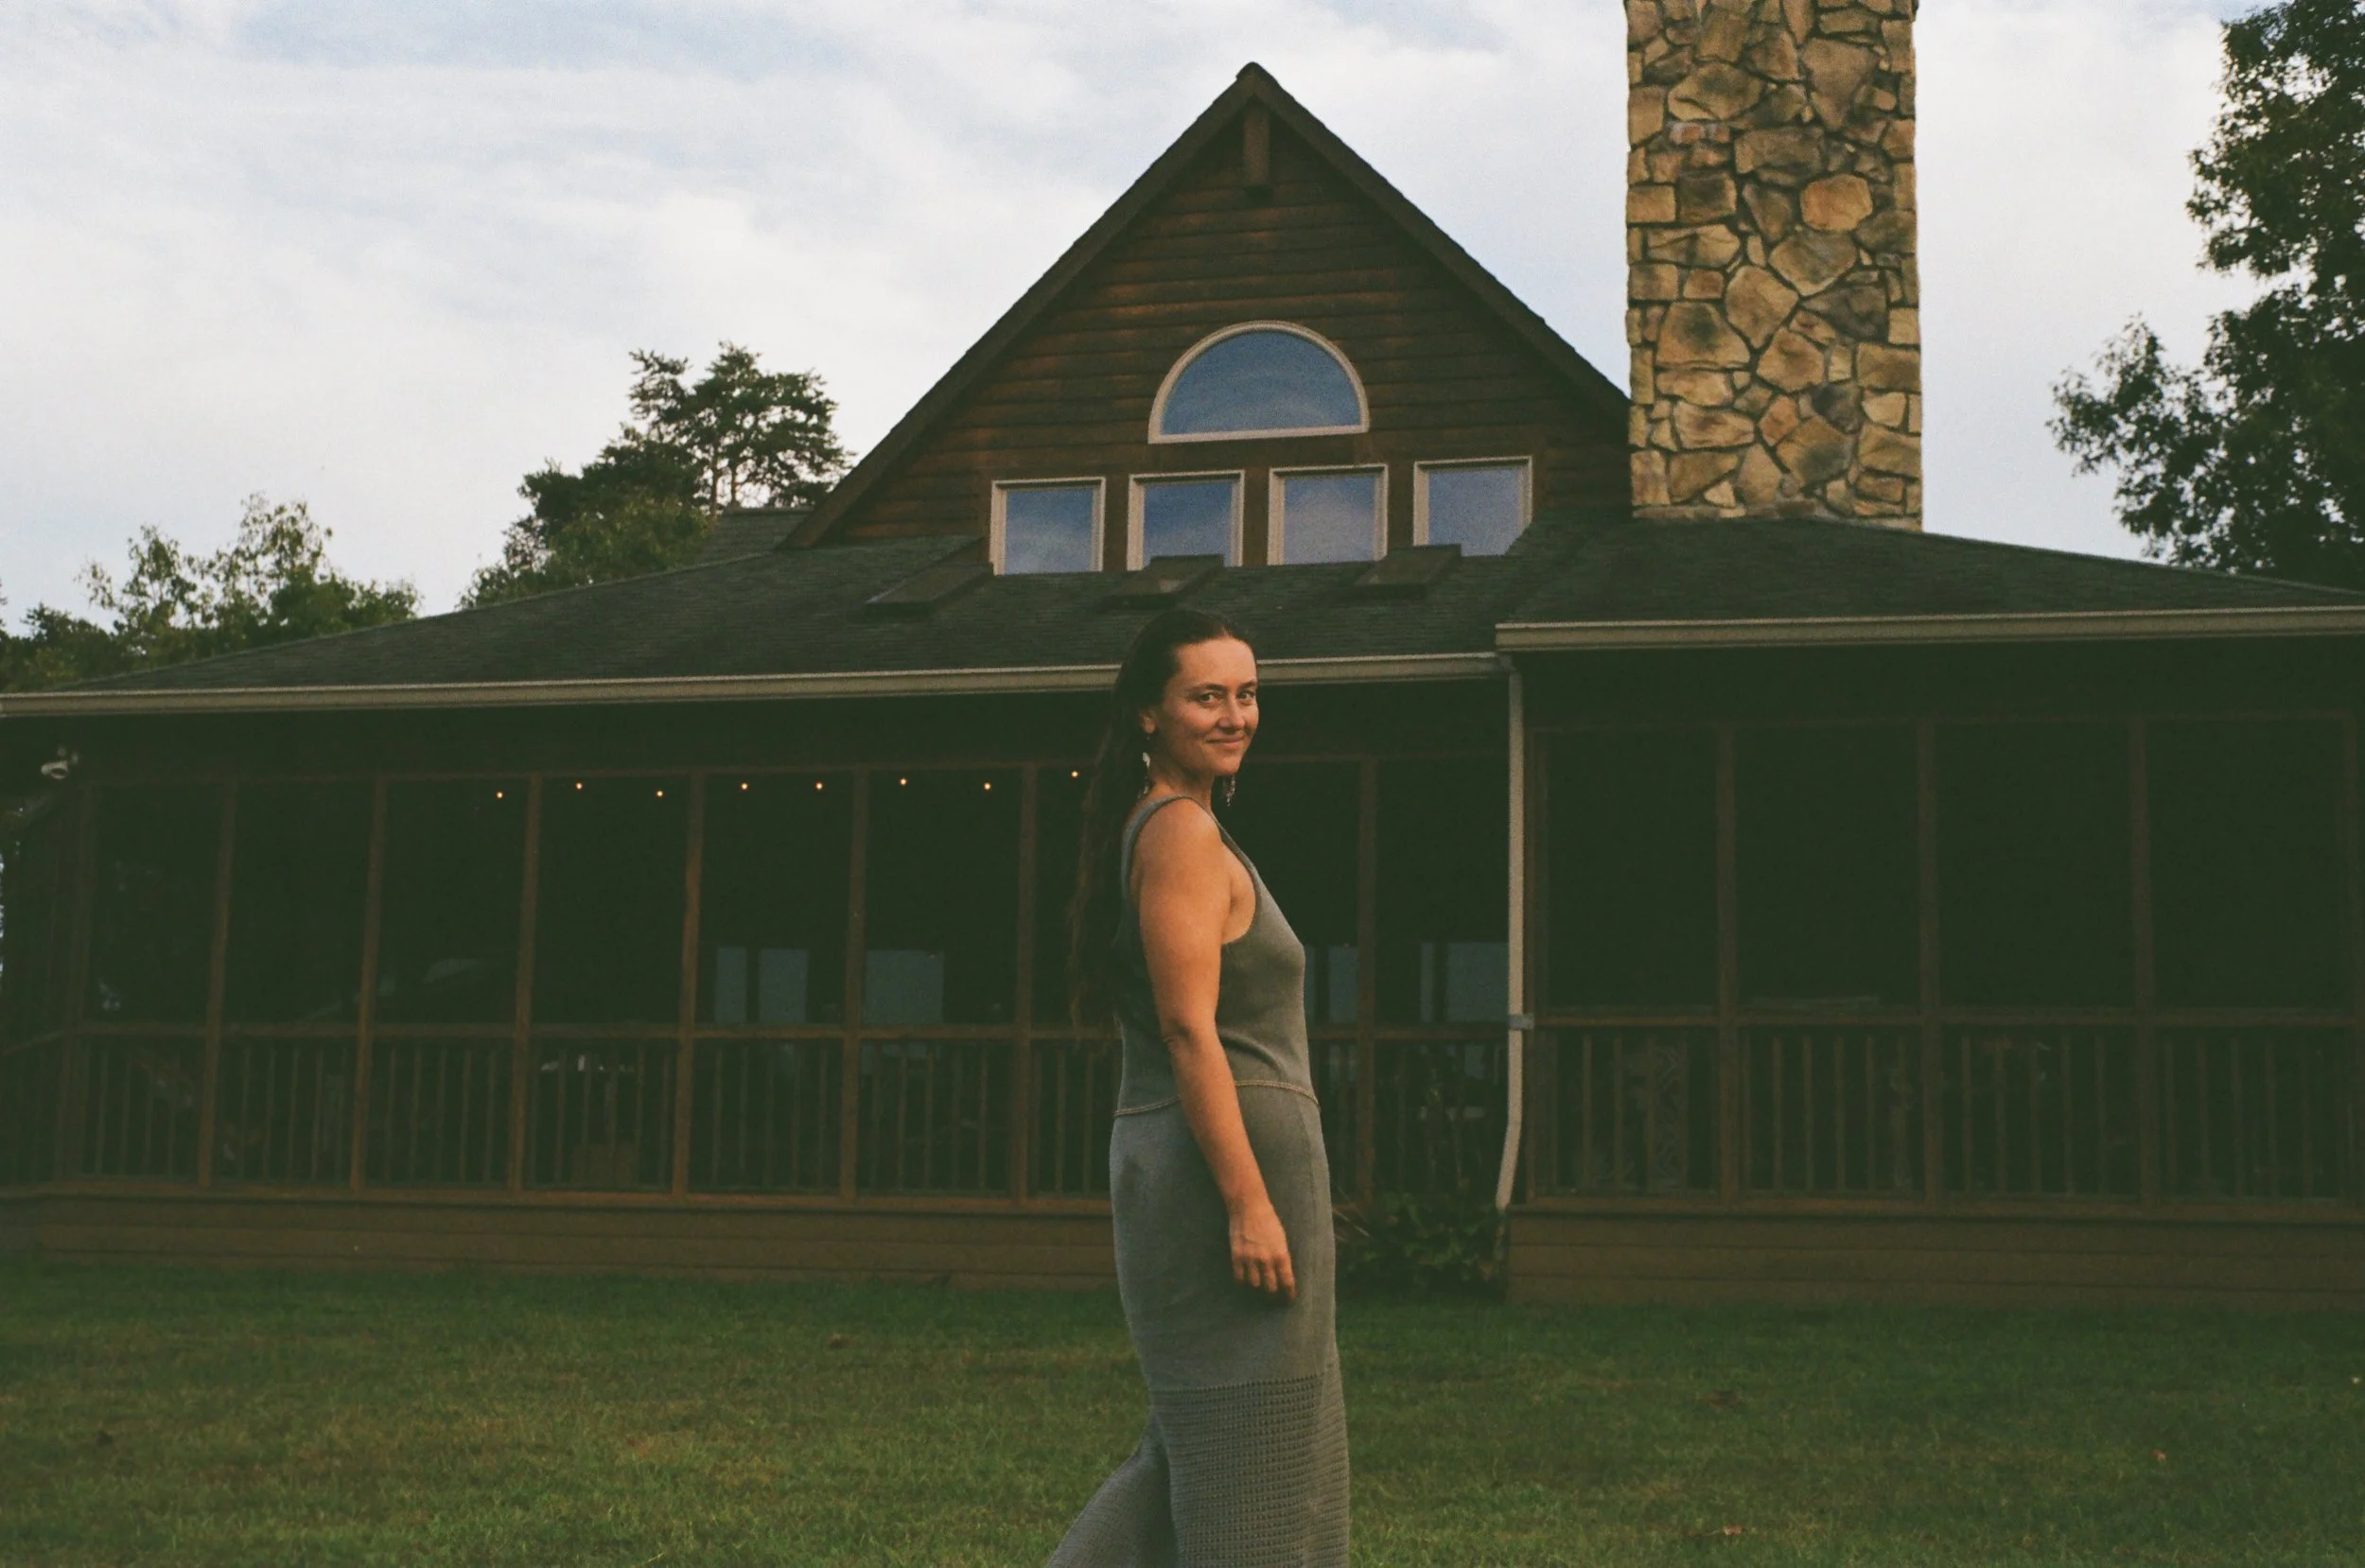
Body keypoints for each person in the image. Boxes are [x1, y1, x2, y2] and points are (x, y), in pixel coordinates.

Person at [1046, 609, 1348, 1567]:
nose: (1234, 714)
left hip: (1221, 1166)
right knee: (1254, 1456)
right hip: (1219, 1175)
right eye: (1206, 695)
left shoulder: (1183, 828)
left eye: (1247, 692)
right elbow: (1189, 1028)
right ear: (1149, 712)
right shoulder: (1178, 834)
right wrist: (1249, 1201)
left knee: (1200, 1446)